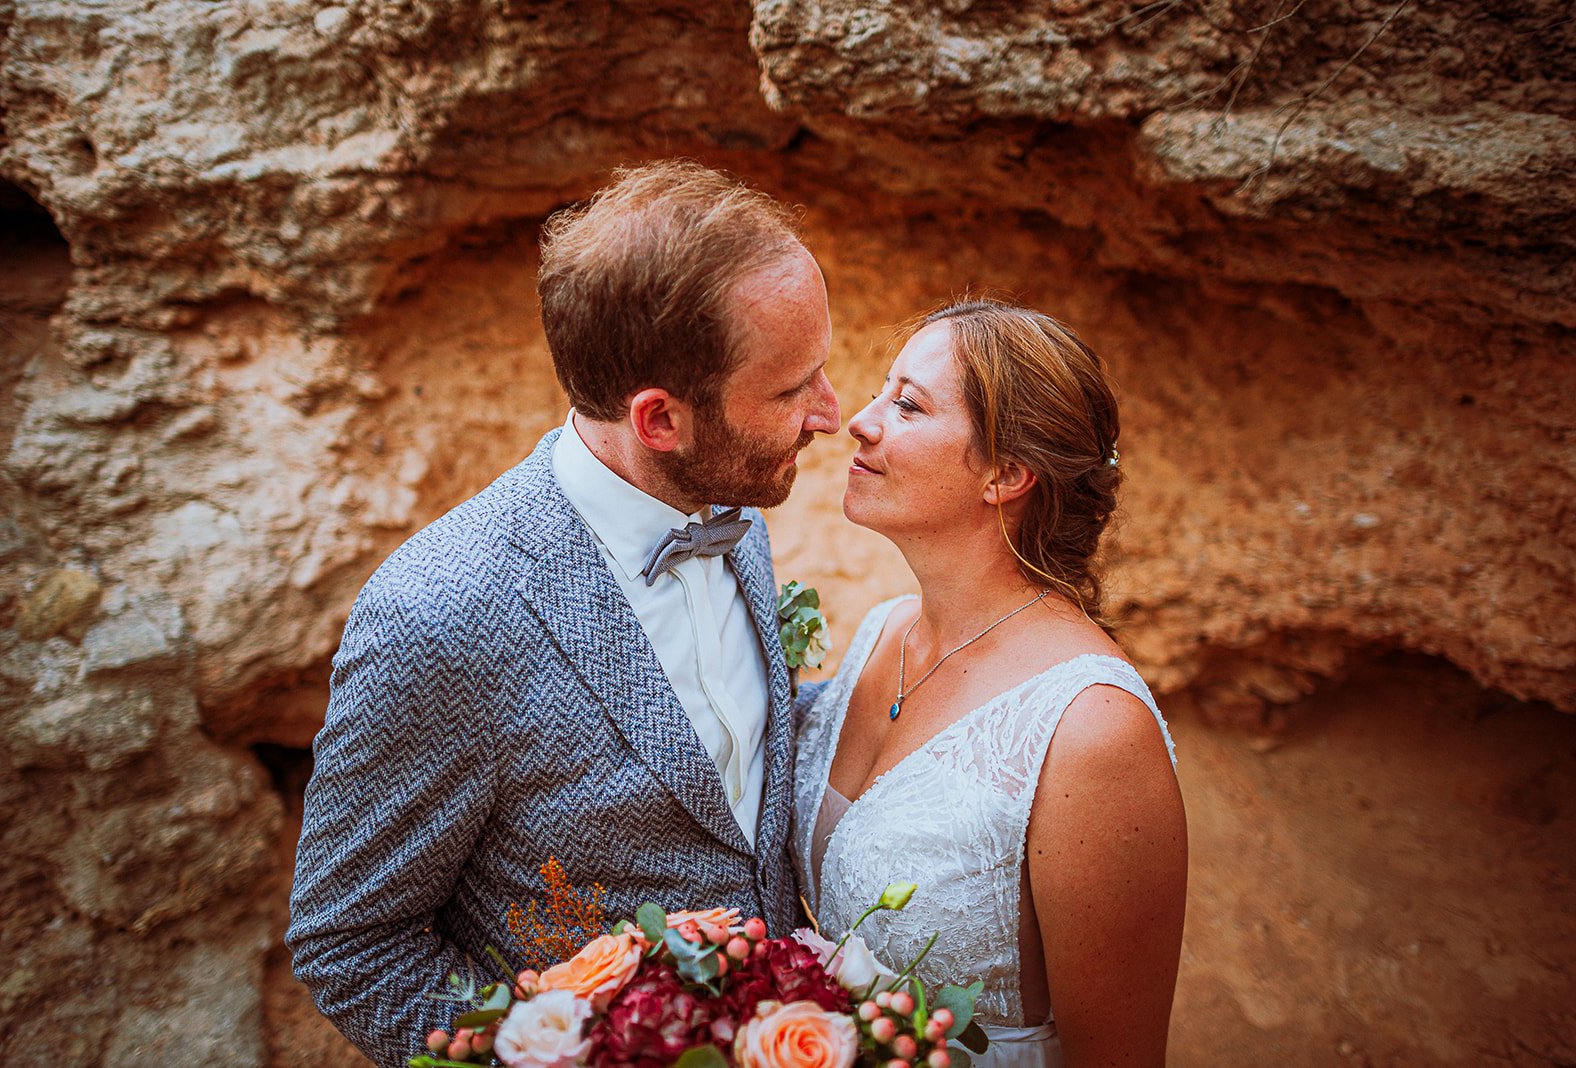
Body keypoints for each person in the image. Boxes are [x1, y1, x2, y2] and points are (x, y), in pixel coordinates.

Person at [288, 159, 840, 1067]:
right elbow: (350, 941)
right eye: (790, 391)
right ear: (660, 420)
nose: (829, 412)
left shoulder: (735, 522)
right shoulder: (439, 614)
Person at [792, 300, 1187, 1067]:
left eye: (907, 404)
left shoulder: (1091, 730)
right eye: (881, 391)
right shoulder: (882, 632)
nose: (860, 422)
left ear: (1006, 474)